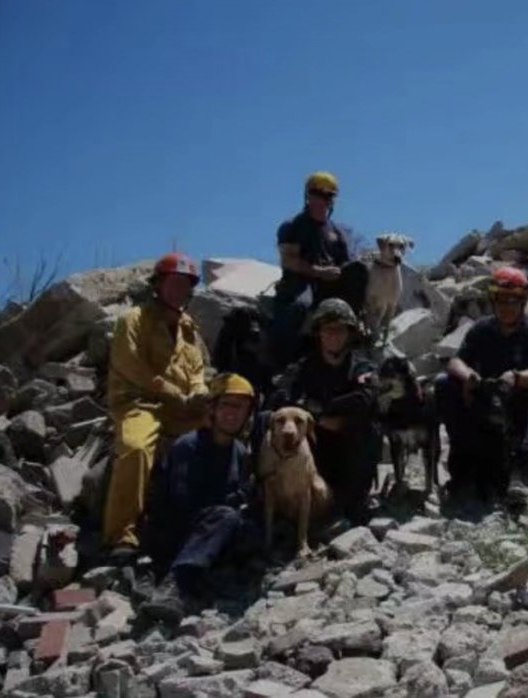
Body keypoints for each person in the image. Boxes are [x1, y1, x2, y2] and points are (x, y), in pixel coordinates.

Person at [103, 253, 210, 562]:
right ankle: (121, 533)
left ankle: (206, 519)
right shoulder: (133, 319)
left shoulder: (190, 329)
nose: (179, 291)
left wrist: (199, 392)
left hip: (181, 408)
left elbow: (198, 371)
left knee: (217, 436)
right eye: (173, 283)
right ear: (158, 285)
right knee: (136, 448)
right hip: (139, 402)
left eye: (184, 285)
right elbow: (130, 365)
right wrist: (173, 392)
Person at [437, 267, 528, 504]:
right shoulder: (482, 328)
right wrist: (468, 376)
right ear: (493, 301)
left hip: (527, 400)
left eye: (513, 301)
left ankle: (521, 471)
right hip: (493, 400)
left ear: (522, 301)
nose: (506, 307)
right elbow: (456, 360)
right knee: (445, 384)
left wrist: (517, 378)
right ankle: (463, 461)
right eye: (501, 301)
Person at [140, 373, 258, 622]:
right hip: (176, 531)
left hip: (212, 529)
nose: (233, 414)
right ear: (212, 408)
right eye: (227, 405)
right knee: (225, 517)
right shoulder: (188, 446)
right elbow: (179, 504)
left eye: (241, 409)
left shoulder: (238, 451)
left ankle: (209, 576)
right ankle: (174, 584)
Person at [266, 298, 380, 521]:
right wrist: (320, 418)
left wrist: (318, 407)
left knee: (369, 427)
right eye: (328, 330)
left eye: (340, 330)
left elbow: (365, 398)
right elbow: (282, 397)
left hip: (351, 449)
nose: (334, 336)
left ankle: (354, 501)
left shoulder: (362, 367)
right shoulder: (303, 368)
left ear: (349, 334)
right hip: (314, 447)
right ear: (319, 333)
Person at [270, 171, 370, 367]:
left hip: (329, 284)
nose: (323, 199)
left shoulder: (337, 231)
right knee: (298, 306)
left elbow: (345, 262)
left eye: (329, 195)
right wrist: (319, 272)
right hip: (300, 282)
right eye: (318, 193)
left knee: (359, 270)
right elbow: (289, 260)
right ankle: (282, 363)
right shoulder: (293, 226)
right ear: (308, 195)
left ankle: (354, 334)